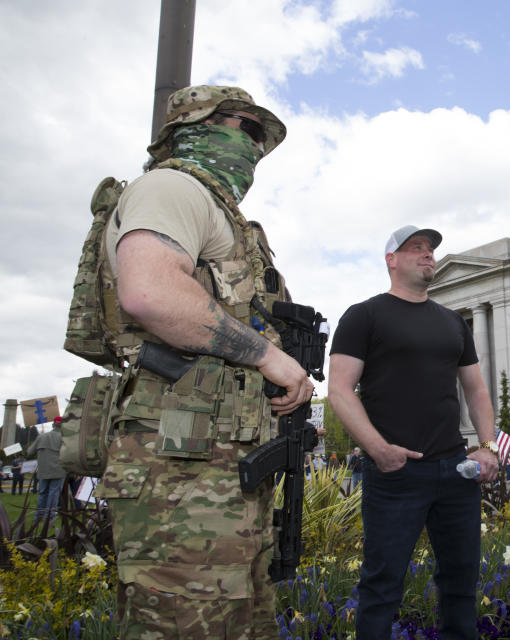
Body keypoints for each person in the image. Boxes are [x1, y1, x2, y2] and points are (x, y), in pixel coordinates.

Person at [91, 85, 314, 638]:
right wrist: (269, 357)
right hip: (179, 466)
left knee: (239, 621)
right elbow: (149, 293)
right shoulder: (172, 187)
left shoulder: (215, 209)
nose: (254, 147)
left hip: (213, 457)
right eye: (245, 128)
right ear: (194, 126)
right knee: (182, 623)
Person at [327, 225, 499, 639]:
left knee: (460, 585)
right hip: (395, 475)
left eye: (431, 249)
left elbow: (476, 390)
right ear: (392, 260)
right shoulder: (364, 315)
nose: (428, 255)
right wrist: (378, 449)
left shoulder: (452, 323)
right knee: (381, 587)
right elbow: (338, 389)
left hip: (456, 473)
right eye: (416, 248)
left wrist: (489, 447)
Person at [27, 416, 66, 521]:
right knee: (54, 493)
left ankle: (38, 516)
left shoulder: (41, 437)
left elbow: (29, 452)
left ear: (53, 424)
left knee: (42, 493)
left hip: (43, 471)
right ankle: (49, 517)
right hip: (59, 470)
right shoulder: (65, 438)